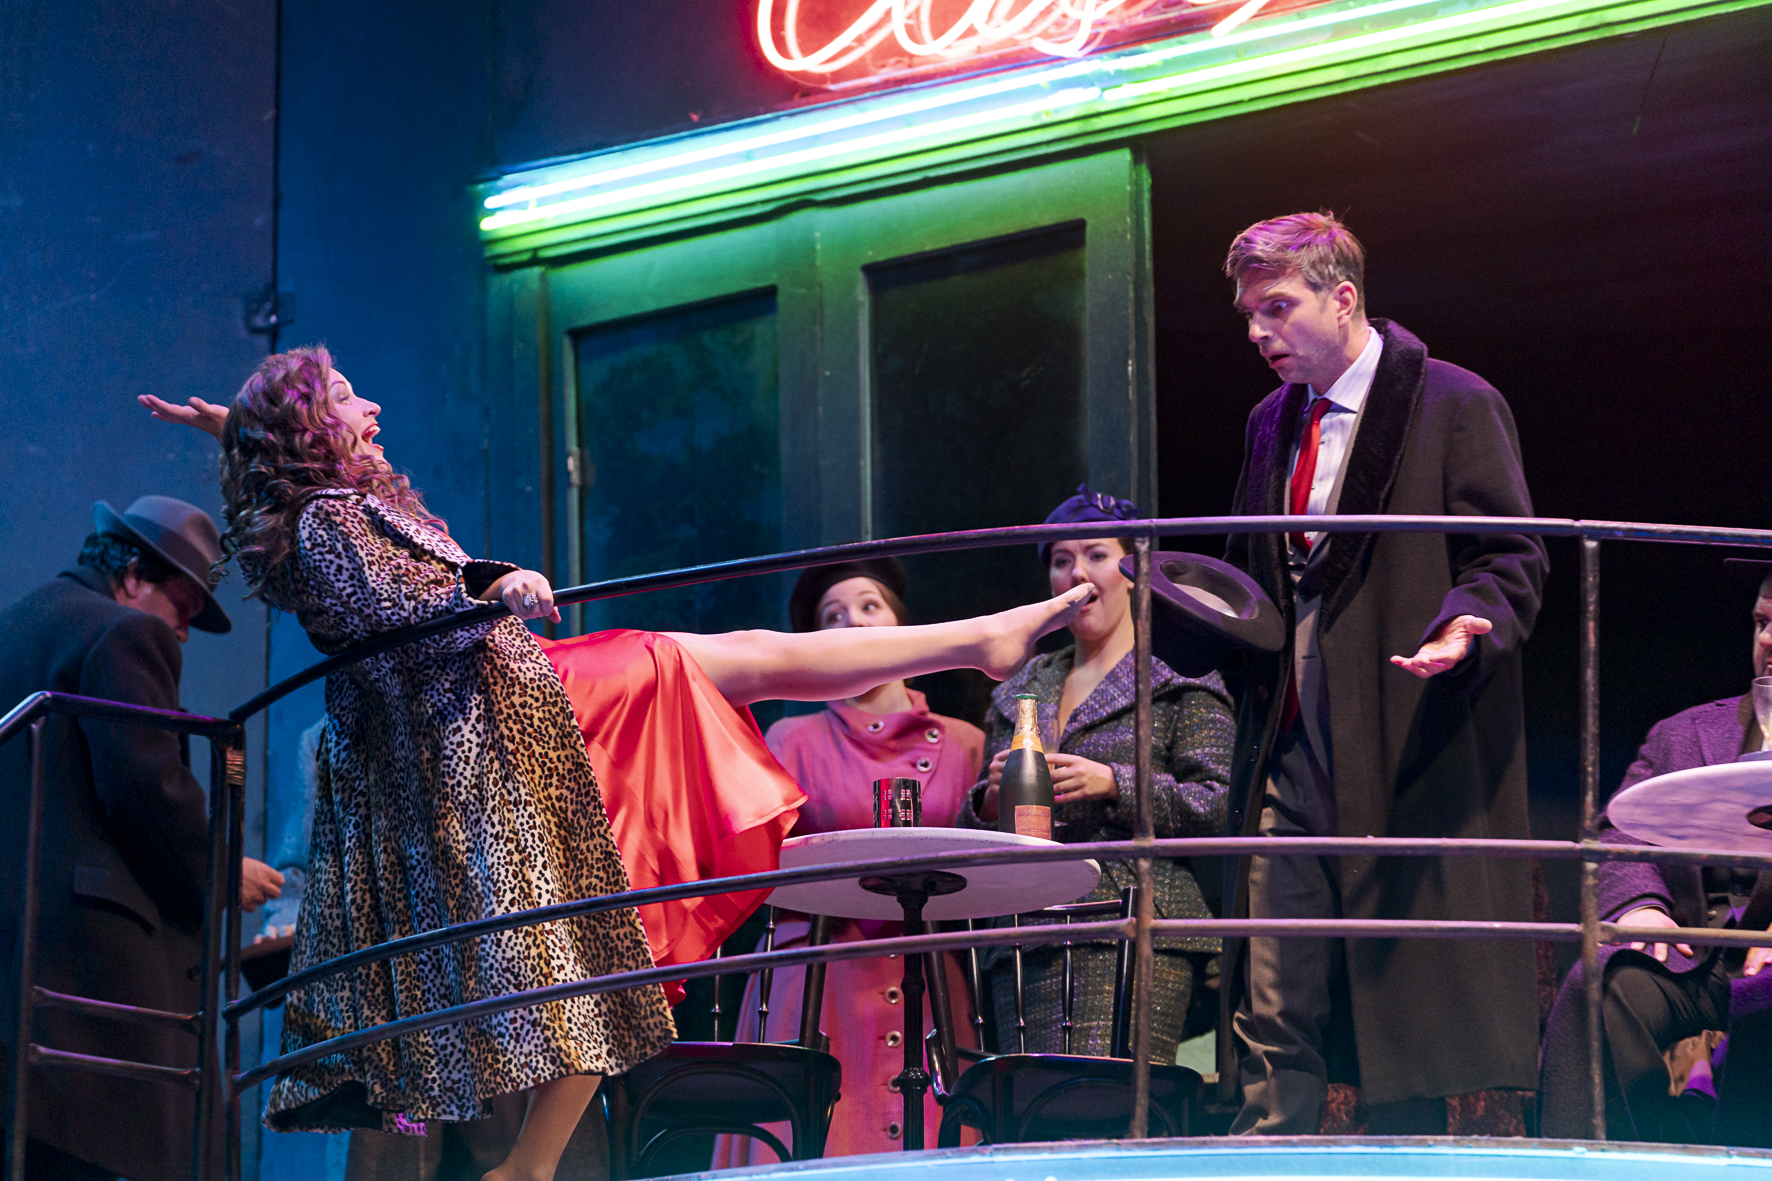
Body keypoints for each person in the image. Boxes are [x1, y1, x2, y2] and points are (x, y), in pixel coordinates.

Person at [148, 347, 1092, 1180]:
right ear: (313, 432)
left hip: (506, 704)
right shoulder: (329, 521)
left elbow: (378, 569)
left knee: (672, 800)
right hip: (507, 714)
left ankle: (530, 1165)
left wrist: (242, 429)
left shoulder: (322, 515)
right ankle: (977, 640)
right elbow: (404, 605)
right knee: (728, 686)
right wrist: (498, 588)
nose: (373, 407)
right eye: (347, 398)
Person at [1218, 212, 1547, 1134]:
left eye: (1278, 307)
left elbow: (1510, 556)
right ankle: (1266, 1149)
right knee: (1274, 977)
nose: (1259, 331)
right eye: (1250, 314)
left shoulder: (1454, 401)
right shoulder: (1270, 421)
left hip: (1399, 726)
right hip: (1289, 734)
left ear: (1343, 297)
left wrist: (1467, 623)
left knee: (1415, 995)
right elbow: (1255, 570)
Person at [0, 497, 283, 1181]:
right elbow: (145, 789)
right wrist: (223, 871)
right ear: (133, 574)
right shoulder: (126, 634)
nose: (180, 634)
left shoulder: (16, 624)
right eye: (182, 609)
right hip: (87, 989)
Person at [712, 559, 986, 1164]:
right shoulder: (790, 738)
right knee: (811, 1144)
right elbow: (749, 858)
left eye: (869, 606)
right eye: (832, 617)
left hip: (931, 981)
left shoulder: (965, 741)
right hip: (816, 976)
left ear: (903, 625)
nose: (853, 623)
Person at [958, 485, 1236, 1063]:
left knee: (1105, 1097)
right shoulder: (1019, 688)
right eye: (1062, 560)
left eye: (1096, 554)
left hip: (1132, 924)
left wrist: (1115, 784)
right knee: (1029, 1102)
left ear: (1135, 571)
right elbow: (975, 833)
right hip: (1022, 934)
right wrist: (986, 802)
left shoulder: (1179, 674)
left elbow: (1220, 803)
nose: (1076, 573)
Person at [1538, 562, 1772, 1143]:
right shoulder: (1683, 734)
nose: (1768, 641)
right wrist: (1641, 905)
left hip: (1765, 963)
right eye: (1762, 623)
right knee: (1604, 979)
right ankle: (1603, 1161)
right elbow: (1618, 833)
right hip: (1693, 952)